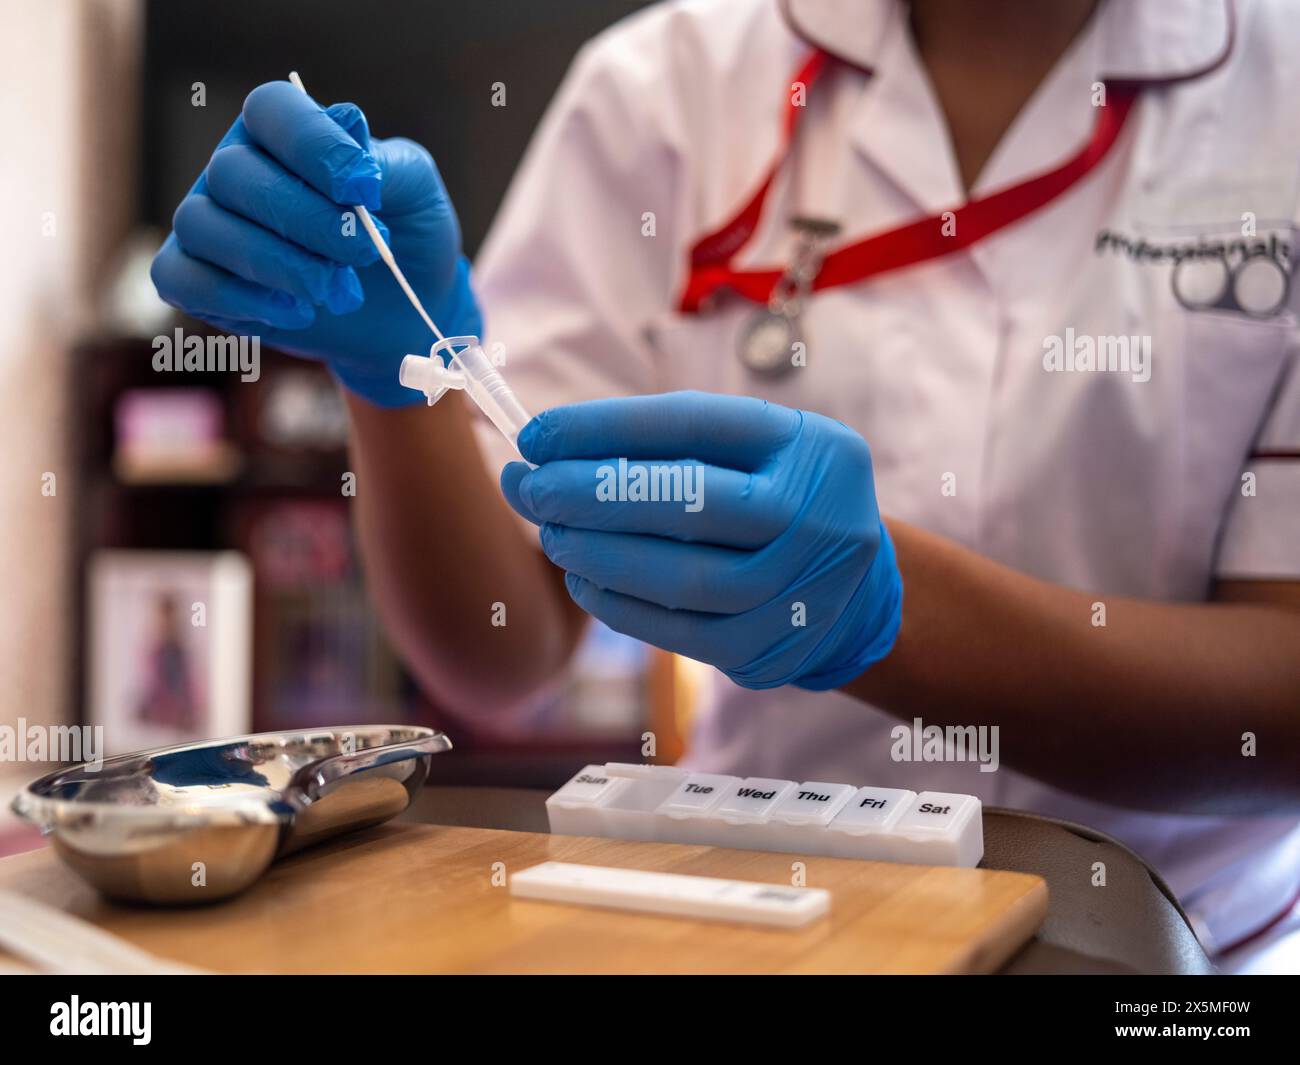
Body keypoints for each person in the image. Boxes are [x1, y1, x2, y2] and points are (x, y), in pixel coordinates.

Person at [151, 0, 1300, 965]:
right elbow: (502, 653)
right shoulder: (667, 87)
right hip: (764, 911)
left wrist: (883, 619)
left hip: (1183, 947)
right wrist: (391, 388)